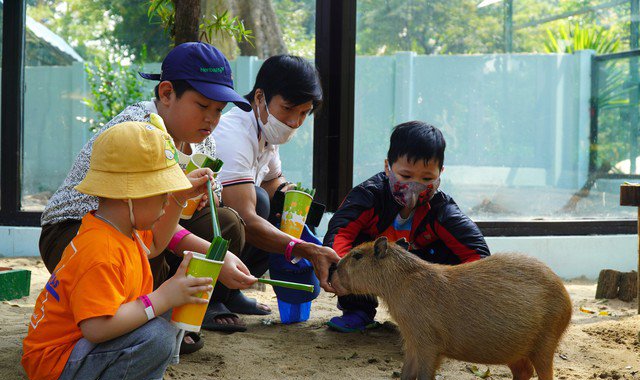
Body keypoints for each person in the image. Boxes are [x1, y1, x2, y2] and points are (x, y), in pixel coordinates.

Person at [40, 42, 256, 341]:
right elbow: (128, 211)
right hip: (76, 230)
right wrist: (210, 253)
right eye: (203, 106)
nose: (212, 118)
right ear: (166, 93)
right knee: (140, 241)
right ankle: (129, 321)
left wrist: (202, 196)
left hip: (141, 222)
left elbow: (205, 202)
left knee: (227, 222)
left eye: (219, 110)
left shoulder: (204, 140)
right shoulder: (140, 131)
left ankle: (181, 309)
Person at [22, 121, 215, 380]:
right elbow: (97, 329)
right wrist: (160, 298)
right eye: (162, 194)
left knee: (169, 309)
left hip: (78, 355)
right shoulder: (101, 251)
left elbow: (157, 245)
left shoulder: (120, 229)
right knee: (159, 334)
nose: (167, 201)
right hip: (60, 372)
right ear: (130, 196)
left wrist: (180, 198)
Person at [323, 121, 491, 332]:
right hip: (372, 271)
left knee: (455, 257)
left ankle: (438, 321)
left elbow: (480, 257)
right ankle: (359, 311)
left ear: (441, 173)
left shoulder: (442, 211)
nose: (415, 185)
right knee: (355, 251)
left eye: (427, 178)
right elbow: (340, 233)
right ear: (387, 167)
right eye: (406, 176)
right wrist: (339, 271)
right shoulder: (368, 196)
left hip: (421, 279)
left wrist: (467, 298)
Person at [211, 54, 340, 295]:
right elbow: (246, 220)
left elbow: (273, 180)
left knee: (279, 205)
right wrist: (307, 250)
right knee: (258, 202)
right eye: (288, 109)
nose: (294, 121)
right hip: (202, 232)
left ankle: (231, 294)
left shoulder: (266, 130)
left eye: (304, 113)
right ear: (260, 97)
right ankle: (214, 295)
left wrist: (292, 199)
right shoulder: (235, 134)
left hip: (232, 227)